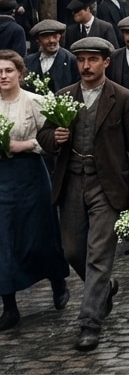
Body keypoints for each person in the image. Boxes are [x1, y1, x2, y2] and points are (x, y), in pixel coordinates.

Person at [37, 37, 129, 352]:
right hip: (71, 182)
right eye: (81, 60)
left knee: (99, 254)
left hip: (108, 186)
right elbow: (43, 136)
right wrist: (54, 137)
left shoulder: (123, 98)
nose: (85, 66)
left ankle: (89, 323)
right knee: (73, 250)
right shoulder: (64, 97)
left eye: (92, 60)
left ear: (106, 62)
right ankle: (106, 287)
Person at [0, 50, 69, 332]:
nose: (3, 77)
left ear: (20, 73)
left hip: (31, 175)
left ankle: (58, 282)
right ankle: (10, 306)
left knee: (39, 232)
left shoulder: (36, 102)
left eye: (8, 71)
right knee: (3, 239)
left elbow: (52, 139)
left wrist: (25, 145)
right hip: (2, 177)